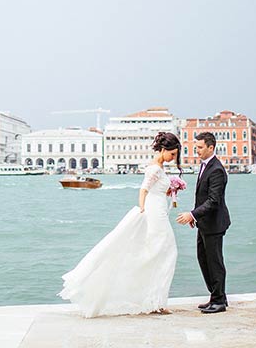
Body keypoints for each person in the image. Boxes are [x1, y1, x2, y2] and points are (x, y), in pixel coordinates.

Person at [59, 132, 182, 317]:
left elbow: (155, 191)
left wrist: (170, 190)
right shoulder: (155, 168)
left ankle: (156, 300)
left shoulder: (159, 167)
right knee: (166, 251)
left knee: (161, 252)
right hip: (154, 212)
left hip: (159, 209)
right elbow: (143, 190)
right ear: (164, 150)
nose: (174, 158)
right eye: (172, 154)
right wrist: (142, 210)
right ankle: (156, 301)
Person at [176, 131, 231, 314]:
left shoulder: (216, 169)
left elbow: (213, 201)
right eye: (196, 147)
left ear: (211, 147)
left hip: (215, 224)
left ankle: (219, 301)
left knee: (214, 262)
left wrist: (192, 214)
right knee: (203, 259)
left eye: (200, 147)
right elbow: (202, 196)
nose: (196, 150)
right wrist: (196, 217)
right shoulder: (206, 165)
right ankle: (216, 296)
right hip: (205, 222)